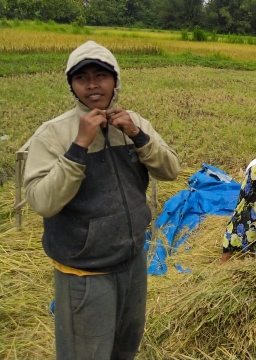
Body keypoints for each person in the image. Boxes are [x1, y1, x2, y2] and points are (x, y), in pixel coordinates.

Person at [23, 40, 180, 359]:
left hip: (133, 260)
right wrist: (79, 145)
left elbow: (171, 170)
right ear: (72, 85)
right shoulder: (53, 135)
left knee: (126, 347)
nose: (93, 85)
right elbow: (42, 202)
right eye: (82, 78)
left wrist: (137, 135)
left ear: (115, 79)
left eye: (101, 75)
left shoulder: (134, 123)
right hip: (86, 271)